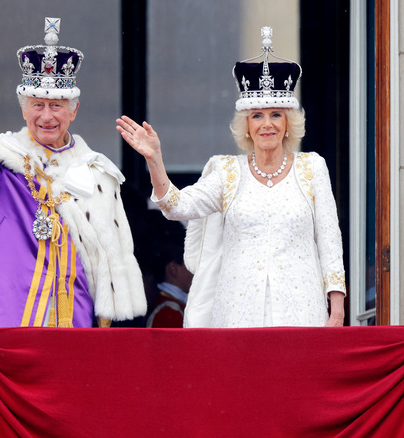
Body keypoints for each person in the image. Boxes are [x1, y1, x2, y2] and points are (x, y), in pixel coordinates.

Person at [116, 26, 345, 328]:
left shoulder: (312, 168)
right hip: (238, 314)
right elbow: (178, 207)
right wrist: (155, 160)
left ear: (288, 122)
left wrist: (337, 310)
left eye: (276, 114)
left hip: (301, 312)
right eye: (257, 116)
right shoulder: (227, 172)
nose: (267, 124)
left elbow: (330, 243)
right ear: (246, 125)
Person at [0, 17, 146, 329]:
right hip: (10, 311)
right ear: (23, 108)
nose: (46, 116)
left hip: (76, 313)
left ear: (74, 110)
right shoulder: (5, 160)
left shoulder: (96, 171)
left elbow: (109, 260)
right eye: (38, 104)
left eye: (56, 106)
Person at [146, 222, 192, 328]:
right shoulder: (169, 313)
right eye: (191, 265)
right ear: (174, 269)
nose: (195, 271)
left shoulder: (172, 307)